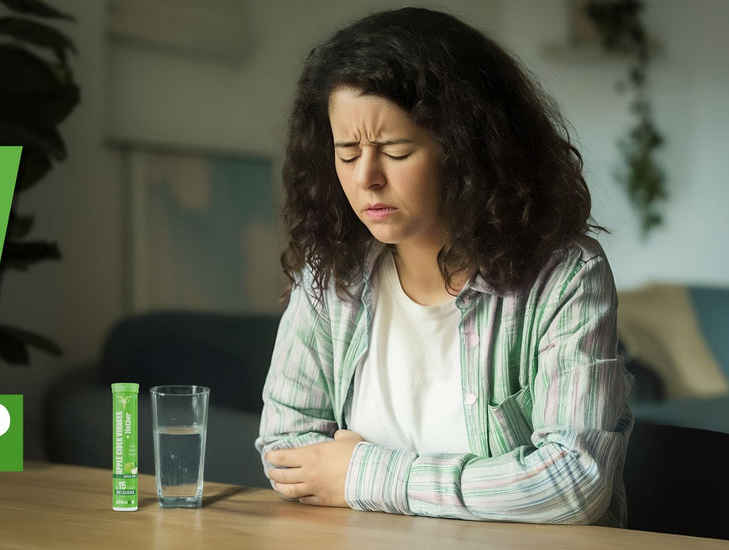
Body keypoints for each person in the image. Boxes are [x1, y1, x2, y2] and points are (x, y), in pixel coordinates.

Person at [255, 8, 634, 527]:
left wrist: (364, 474)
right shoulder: (331, 276)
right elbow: (284, 448)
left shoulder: (566, 278)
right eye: (347, 152)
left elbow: (574, 482)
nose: (367, 177)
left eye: (395, 150)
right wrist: (485, 482)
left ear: (468, 151)